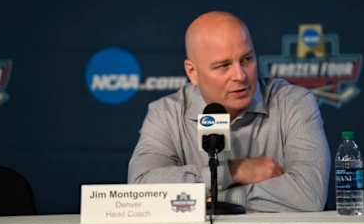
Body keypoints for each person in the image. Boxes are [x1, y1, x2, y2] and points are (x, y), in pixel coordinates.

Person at [128, 11, 330, 212]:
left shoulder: (293, 103)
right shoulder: (166, 114)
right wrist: (234, 171)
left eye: (246, 60)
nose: (240, 75)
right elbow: (141, 191)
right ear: (193, 72)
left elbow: (308, 196)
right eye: (223, 66)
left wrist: (209, 200)